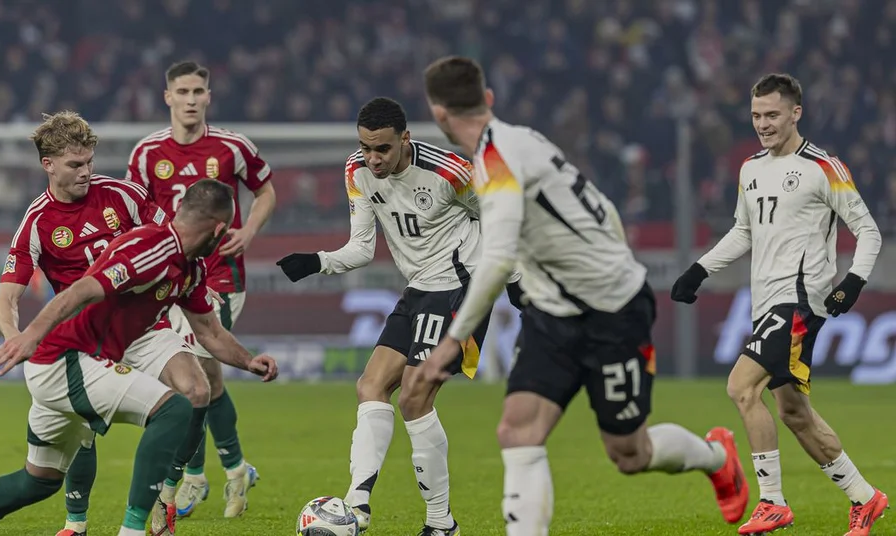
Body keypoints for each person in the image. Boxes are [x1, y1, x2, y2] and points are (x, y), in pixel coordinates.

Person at [415, 56, 748, 536]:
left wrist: (452, 342)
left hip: (614, 313)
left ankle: (717, 457)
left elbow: (499, 256)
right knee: (517, 430)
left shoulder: (498, 161)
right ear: (487, 99)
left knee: (629, 454)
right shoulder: (524, 139)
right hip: (553, 314)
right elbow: (602, 206)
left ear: (439, 115)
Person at [0, 179, 278, 536]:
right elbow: (80, 290)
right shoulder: (152, 246)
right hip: (65, 359)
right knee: (174, 410)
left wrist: (248, 361)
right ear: (217, 230)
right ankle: (132, 528)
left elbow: (209, 331)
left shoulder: (189, 268)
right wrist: (30, 337)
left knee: (37, 480)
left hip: (67, 364)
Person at [277, 96, 522, 536]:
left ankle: (440, 524)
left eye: (383, 149)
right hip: (418, 289)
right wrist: (317, 262)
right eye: (366, 147)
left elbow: (501, 219)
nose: (373, 159)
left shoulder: (450, 172)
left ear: (405, 139)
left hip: (459, 287)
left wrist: (517, 278)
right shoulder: (357, 171)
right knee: (370, 385)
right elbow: (362, 249)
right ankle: (357, 507)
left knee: (414, 395)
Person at [671, 73, 888, 536]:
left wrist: (852, 281)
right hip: (765, 300)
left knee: (741, 388)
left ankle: (771, 502)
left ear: (796, 113)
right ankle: (865, 499)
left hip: (801, 301)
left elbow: (868, 230)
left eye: (772, 115)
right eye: (755, 116)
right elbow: (743, 231)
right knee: (793, 412)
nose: (763, 124)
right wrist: (700, 269)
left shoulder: (823, 167)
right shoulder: (750, 168)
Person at [0, 110, 219, 536]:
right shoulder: (37, 223)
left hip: (142, 325)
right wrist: (15, 341)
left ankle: (166, 498)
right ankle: (76, 524)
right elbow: (6, 299)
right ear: (49, 165)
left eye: (90, 162)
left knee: (195, 390)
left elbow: (172, 241)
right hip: (83, 338)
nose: (86, 172)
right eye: (75, 165)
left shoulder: (124, 195)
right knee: (78, 430)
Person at [126, 60, 276, 519]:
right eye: (183, 92)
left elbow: (266, 189)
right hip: (171, 279)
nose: (191, 99)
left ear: (209, 96)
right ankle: (234, 468)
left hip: (222, 276)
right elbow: (136, 210)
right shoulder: (147, 153)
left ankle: (195, 478)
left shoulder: (232, 146)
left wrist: (248, 231)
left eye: (199, 91)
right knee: (204, 379)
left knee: (199, 371)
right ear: (167, 97)